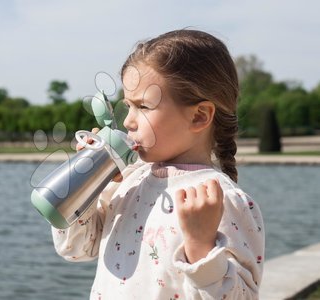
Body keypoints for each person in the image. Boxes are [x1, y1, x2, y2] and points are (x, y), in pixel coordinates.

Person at [52, 29, 265, 299]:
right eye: (128, 105)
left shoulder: (221, 201)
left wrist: (201, 249)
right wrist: (84, 186)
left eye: (143, 106)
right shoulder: (129, 180)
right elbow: (77, 249)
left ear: (199, 116)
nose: (128, 121)